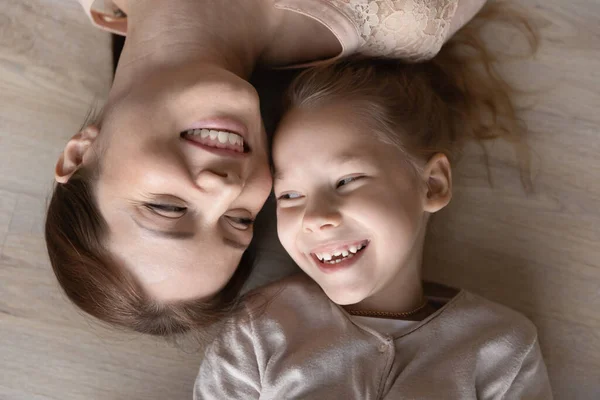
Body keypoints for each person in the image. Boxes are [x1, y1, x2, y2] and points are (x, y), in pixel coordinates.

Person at [45, 0, 487, 336]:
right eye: (239, 219)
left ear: (80, 155)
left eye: (167, 208)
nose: (224, 187)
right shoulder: (409, 14)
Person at [194, 8, 552, 399]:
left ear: (431, 185)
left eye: (347, 180)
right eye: (290, 195)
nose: (315, 218)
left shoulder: (502, 350)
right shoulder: (260, 329)